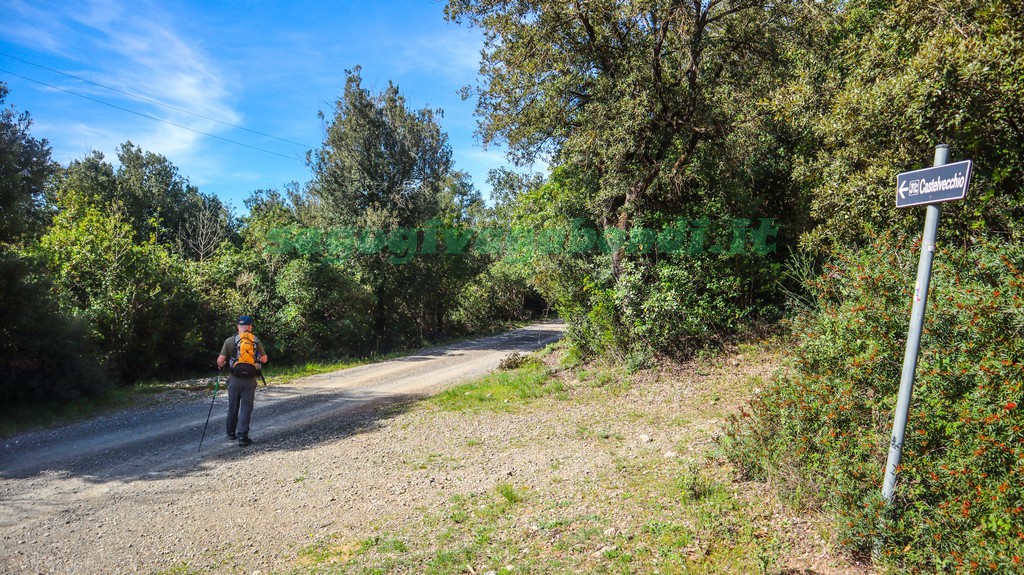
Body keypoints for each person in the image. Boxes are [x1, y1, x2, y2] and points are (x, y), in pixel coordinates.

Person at [216, 315, 268, 447]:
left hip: (234, 379)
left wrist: (221, 366)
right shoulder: (255, 340)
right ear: (250, 327)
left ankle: (230, 432)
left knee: (233, 405)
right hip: (250, 379)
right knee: (246, 407)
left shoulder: (230, 341)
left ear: (238, 326)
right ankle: (243, 437)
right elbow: (264, 359)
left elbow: (221, 360)